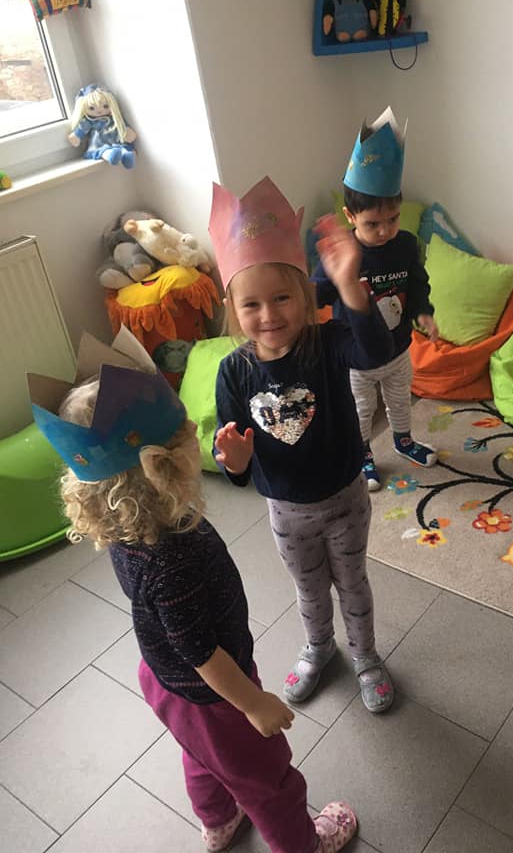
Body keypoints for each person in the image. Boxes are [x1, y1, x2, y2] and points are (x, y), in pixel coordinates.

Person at [29, 328, 358, 853]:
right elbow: (201, 652)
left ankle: (219, 822)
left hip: (164, 679)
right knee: (267, 780)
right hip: (215, 695)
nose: (197, 437)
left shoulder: (132, 528)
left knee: (202, 757)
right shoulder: (173, 557)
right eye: (189, 434)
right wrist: (253, 703)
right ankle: (305, 845)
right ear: (165, 465)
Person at [209, 175, 396, 713]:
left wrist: (350, 284)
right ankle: (319, 648)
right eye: (252, 305)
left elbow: (376, 352)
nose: (269, 315)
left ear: (305, 294)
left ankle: (366, 657)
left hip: (345, 498)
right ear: (233, 308)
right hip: (286, 512)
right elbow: (235, 458)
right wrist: (234, 463)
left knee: (352, 584)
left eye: (282, 298)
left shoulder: (328, 342)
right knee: (310, 590)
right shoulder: (234, 371)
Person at [312, 106, 439, 491]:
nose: (384, 230)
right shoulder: (342, 256)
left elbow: (418, 282)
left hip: (398, 349)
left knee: (400, 401)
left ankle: (403, 441)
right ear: (350, 216)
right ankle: (363, 453)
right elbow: (316, 294)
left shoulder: (406, 245)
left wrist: (423, 312)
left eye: (393, 219)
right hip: (356, 359)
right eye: (372, 223)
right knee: (361, 411)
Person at [68, 83, 137, 168]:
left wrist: (127, 133)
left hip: (116, 142)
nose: (99, 110)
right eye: (92, 108)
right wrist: (76, 136)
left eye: (105, 106)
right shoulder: (89, 122)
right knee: (104, 151)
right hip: (99, 144)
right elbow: (82, 129)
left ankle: (126, 156)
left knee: (122, 148)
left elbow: (121, 126)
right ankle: (111, 155)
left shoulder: (114, 118)